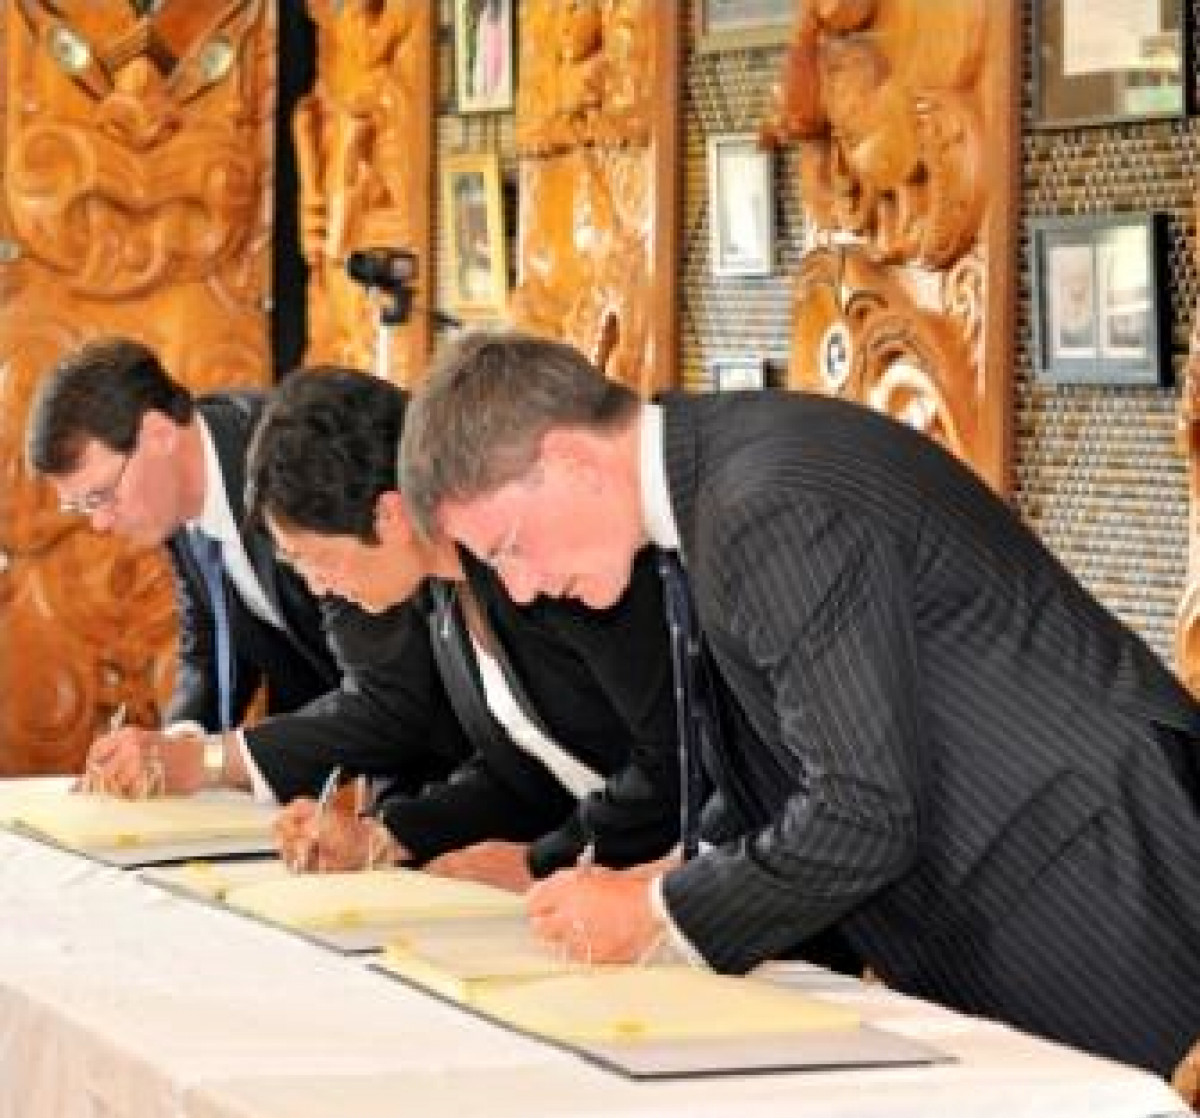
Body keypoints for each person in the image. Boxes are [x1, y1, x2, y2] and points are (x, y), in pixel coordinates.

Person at [398, 327, 1200, 1079]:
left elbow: (864, 809)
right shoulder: (716, 483)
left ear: (570, 459)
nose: (519, 586)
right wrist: (680, 867)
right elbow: (793, 749)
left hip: (1096, 885)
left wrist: (658, 909)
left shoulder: (761, 504)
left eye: (505, 548)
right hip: (1037, 879)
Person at [244, 364, 681, 889]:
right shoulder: (446, 589)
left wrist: (543, 860)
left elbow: (672, 755)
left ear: (390, 517)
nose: (317, 587)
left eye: (316, 559)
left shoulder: (547, 566)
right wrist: (385, 835)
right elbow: (520, 774)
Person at [25, 338, 342, 794]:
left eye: (100, 495)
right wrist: (175, 745)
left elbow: (382, 682)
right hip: (327, 751)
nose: (99, 523)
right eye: (81, 507)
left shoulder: (293, 463)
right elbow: (208, 642)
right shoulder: (175, 492)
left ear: (158, 434)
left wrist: (208, 760)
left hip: (441, 752)